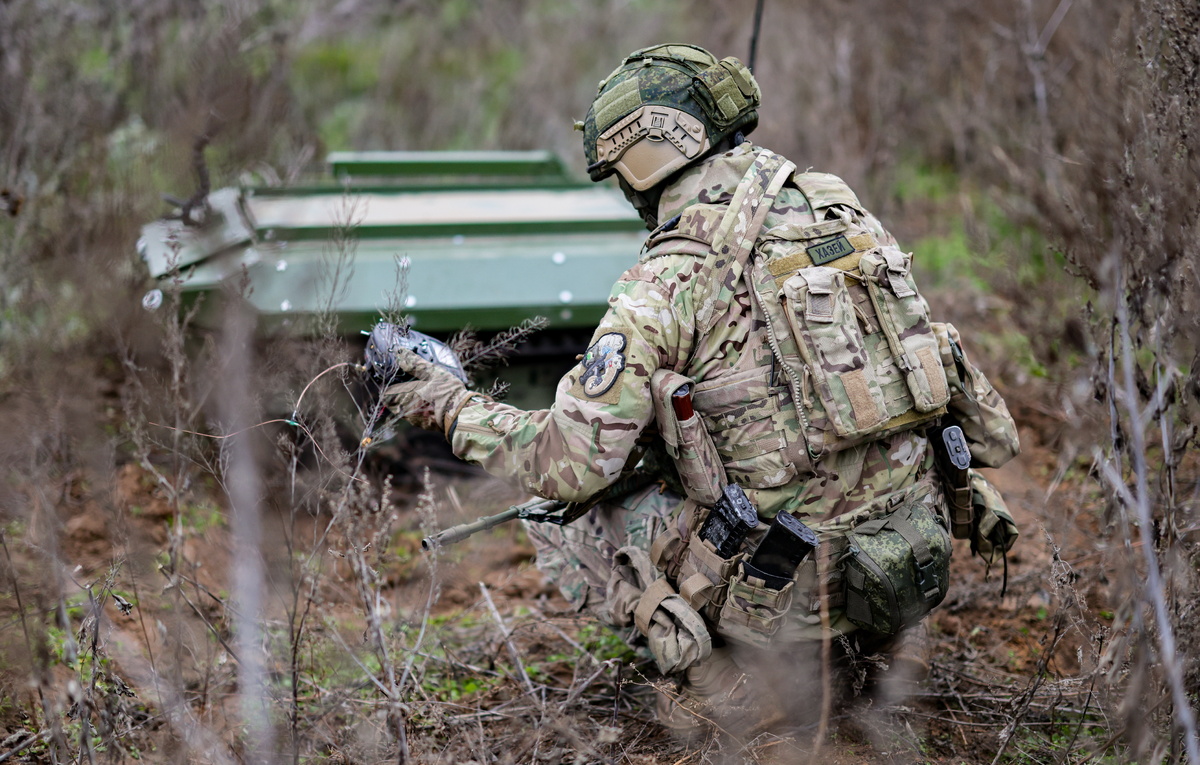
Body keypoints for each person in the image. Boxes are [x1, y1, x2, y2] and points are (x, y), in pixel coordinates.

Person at [375, 43, 1020, 737]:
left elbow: (569, 460)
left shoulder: (666, 281)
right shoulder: (839, 207)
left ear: (638, 160)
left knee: (557, 513)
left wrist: (446, 401)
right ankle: (887, 646)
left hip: (789, 592)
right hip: (913, 548)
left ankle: (724, 683)